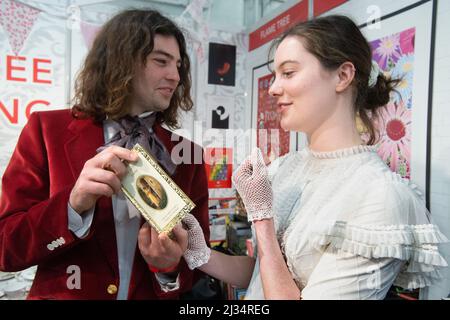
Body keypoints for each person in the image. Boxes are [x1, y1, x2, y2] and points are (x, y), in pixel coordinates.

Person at [178, 15, 448, 299]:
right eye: (275, 75)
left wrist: (262, 221)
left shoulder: (379, 195)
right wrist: (199, 253)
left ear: (343, 76)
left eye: (289, 72)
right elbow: (261, 273)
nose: (273, 88)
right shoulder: (283, 168)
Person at [0, 9, 209, 300]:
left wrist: (168, 270)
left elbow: (198, 260)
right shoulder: (47, 130)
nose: (174, 76)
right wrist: (72, 206)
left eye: (178, 65)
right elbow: (6, 248)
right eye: (161, 61)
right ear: (121, 61)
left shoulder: (188, 157)